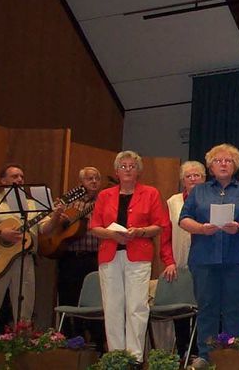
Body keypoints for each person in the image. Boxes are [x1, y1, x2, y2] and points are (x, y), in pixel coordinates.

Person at [179, 144, 239, 367]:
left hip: (237, 259)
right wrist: (200, 228)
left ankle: (233, 356)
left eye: (228, 160)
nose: (223, 164)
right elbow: (183, 219)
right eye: (218, 161)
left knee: (235, 308)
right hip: (204, 258)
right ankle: (206, 356)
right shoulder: (199, 191)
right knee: (207, 308)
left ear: (235, 165)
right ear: (210, 166)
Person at [88, 151, 171, 360]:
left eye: (132, 166)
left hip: (138, 255)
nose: (127, 169)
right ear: (116, 171)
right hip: (110, 255)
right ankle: (116, 356)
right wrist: (111, 234)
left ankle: (134, 357)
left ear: (138, 171)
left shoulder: (150, 193)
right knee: (112, 306)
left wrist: (139, 232)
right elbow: (94, 226)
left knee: (137, 306)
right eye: (123, 166)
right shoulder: (105, 195)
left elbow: (159, 225)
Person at [0, 163, 62, 339]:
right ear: (3, 181)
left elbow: (45, 229)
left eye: (21, 177)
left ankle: (22, 347)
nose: (19, 179)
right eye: (14, 176)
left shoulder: (32, 204)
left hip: (24, 260)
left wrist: (56, 216)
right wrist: (0, 233)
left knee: (25, 311)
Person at [151, 161, 205, 354]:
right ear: (182, 180)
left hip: (205, 265)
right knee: (180, 310)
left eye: (197, 175)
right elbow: (165, 237)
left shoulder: (213, 198)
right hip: (179, 265)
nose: (193, 179)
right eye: (188, 176)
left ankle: (198, 351)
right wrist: (169, 262)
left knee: (202, 308)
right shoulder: (172, 202)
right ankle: (183, 352)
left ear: (204, 178)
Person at [55, 167, 105, 348]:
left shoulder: (104, 201)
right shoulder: (69, 202)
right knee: (69, 298)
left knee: (95, 301)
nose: (94, 181)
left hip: (94, 258)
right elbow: (53, 225)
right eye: (89, 178)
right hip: (70, 258)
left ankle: (97, 343)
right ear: (81, 182)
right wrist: (59, 219)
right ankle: (70, 341)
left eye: (97, 178)